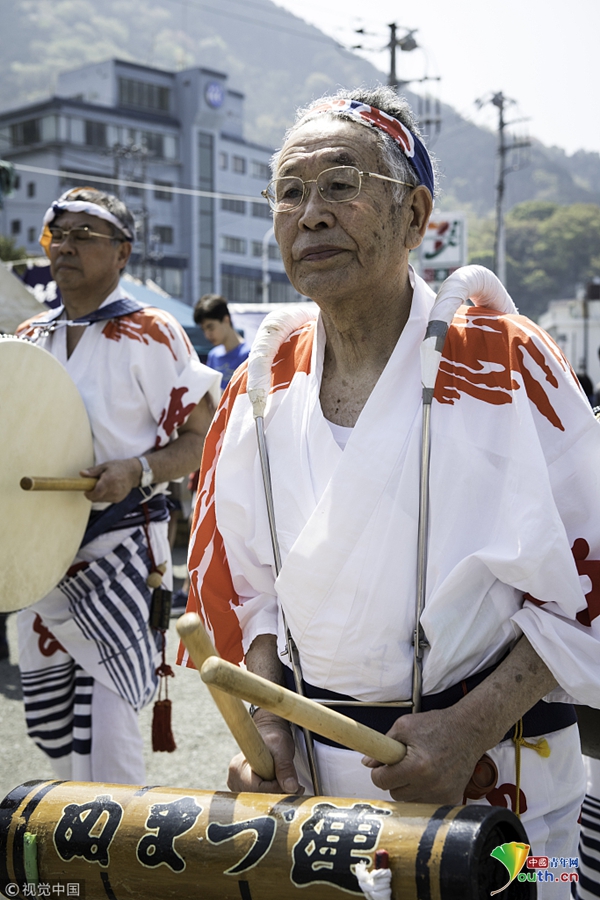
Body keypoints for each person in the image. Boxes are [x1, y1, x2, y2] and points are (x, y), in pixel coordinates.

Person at [179, 87, 600, 888]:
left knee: (534, 878)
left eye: (341, 185)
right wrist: (267, 721)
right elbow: (243, 589)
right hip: (323, 804)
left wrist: (469, 727)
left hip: (504, 782)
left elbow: (591, 575)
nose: (310, 214)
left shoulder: (507, 363)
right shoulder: (259, 382)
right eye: (290, 194)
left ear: (415, 217)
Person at [16, 187, 220, 784]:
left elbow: (204, 437)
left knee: (106, 732)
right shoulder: (26, 338)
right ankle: (68, 862)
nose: (67, 247)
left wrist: (140, 468)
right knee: (54, 730)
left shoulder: (153, 332)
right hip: (37, 557)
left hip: (122, 549)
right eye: (59, 235)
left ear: (123, 252)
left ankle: (110, 865)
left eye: (86, 234)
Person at [194, 294, 251, 390]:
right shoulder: (213, 355)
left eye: (210, 327)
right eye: (203, 330)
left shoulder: (249, 354)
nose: (207, 335)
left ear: (226, 320)